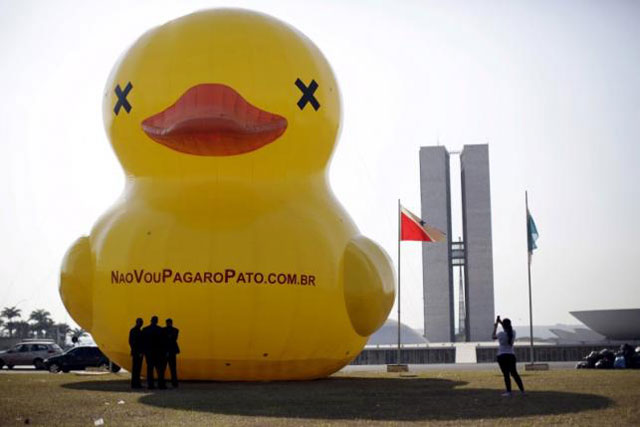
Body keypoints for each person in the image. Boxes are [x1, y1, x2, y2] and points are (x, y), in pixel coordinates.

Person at [492, 316, 525, 396]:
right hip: (511, 355)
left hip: (502, 355)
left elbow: (493, 337)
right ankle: (522, 391)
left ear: (503, 325)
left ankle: (509, 391)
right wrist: (500, 322)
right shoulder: (513, 332)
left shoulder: (500, 334)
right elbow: (507, 328)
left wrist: (496, 326)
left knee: (506, 374)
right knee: (514, 373)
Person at [142, 315, 166, 389]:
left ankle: (150, 385)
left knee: (150, 369)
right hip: (158, 353)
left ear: (151, 320)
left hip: (149, 353)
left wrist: (144, 351)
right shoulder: (160, 330)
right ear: (157, 321)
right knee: (159, 370)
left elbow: (143, 342)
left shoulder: (145, 329)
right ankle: (161, 385)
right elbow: (163, 342)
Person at [163, 318, 180, 388]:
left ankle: (172, 382)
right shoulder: (175, 330)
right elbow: (172, 340)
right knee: (171, 368)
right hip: (171, 351)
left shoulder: (163, 330)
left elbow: (167, 340)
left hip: (167, 351)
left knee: (169, 368)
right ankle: (174, 382)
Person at [128, 318, 144, 389]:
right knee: (136, 368)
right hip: (137, 353)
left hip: (135, 352)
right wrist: (139, 352)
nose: (141, 324)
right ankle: (136, 383)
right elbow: (135, 343)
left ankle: (135, 383)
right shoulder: (137, 331)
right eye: (140, 322)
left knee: (136, 369)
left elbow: (131, 342)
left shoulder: (133, 330)